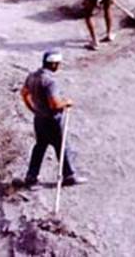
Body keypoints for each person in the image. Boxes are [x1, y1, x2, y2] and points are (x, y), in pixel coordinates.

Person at [19, 50, 85, 188]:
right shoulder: (49, 81)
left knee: (40, 147)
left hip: (39, 119)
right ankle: (69, 175)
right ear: (53, 64)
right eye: (58, 63)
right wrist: (66, 103)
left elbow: (24, 93)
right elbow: (54, 104)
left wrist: (33, 109)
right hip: (52, 120)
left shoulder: (32, 76)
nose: (59, 66)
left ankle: (31, 177)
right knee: (62, 146)